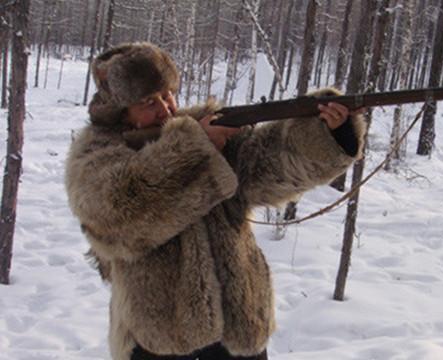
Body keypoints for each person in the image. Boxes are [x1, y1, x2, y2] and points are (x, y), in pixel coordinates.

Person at [65, 42, 365, 360]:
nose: (165, 108)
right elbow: (121, 213)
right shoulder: (95, 156)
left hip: (238, 324)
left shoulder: (201, 128)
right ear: (121, 111)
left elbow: (270, 162)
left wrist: (327, 132)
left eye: (167, 94)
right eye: (148, 102)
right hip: (160, 337)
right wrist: (194, 148)